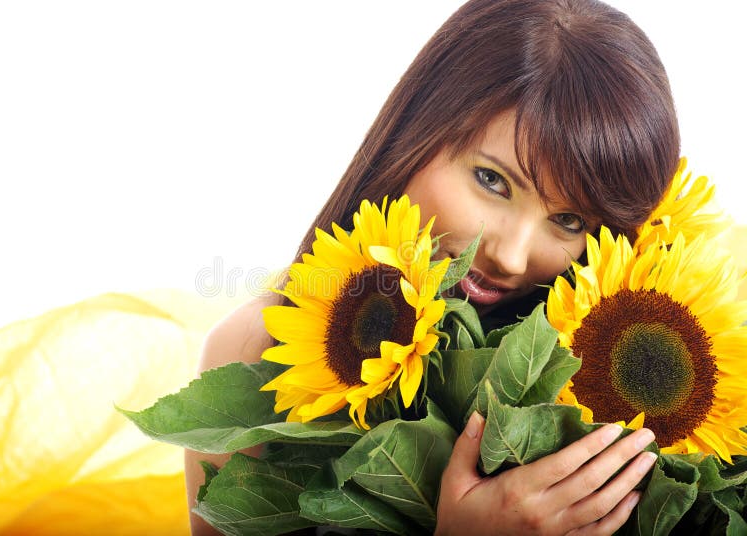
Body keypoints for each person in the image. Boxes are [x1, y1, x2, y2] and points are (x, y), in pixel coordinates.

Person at [185, 0, 679, 534]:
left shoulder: (617, 390)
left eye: (568, 220)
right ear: (416, 130)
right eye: (493, 181)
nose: (511, 257)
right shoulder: (253, 353)